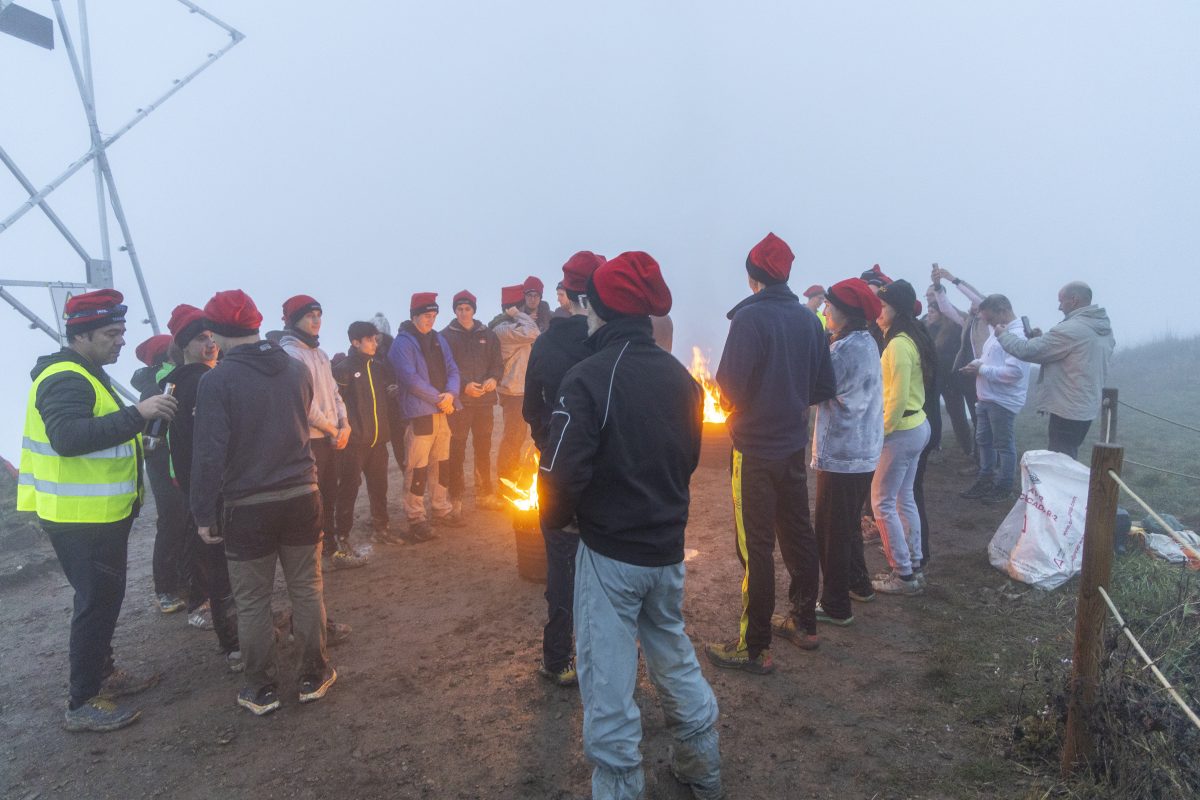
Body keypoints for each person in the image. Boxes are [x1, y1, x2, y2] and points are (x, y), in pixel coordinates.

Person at [540, 251, 722, 800]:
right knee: (672, 652)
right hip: (665, 549)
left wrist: (559, 518)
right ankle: (701, 765)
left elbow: (561, 473)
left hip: (611, 555)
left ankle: (620, 788)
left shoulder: (588, 376)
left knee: (608, 681)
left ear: (599, 309)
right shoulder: (682, 380)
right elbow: (688, 459)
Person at [18, 288, 177, 731]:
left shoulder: (85, 372)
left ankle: (104, 675)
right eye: (111, 333)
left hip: (94, 514)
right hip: (80, 519)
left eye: (121, 331)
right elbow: (68, 438)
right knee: (96, 603)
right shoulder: (66, 378)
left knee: (105, 599)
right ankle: (82, 701)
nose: (121, 341)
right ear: (81, 335)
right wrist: (138, 414)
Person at [191, 289, 336, 716]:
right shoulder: (295, 369)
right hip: (302, 493)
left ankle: (260, 687)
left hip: (248, 504)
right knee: (307, 587)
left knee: (253, 600)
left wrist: (203, 511)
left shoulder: (216, 381)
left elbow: (209, 452)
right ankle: (314, 674)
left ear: (216, 333)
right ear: (256, 324)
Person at [706, 233, 836, 674]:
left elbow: (730, 388)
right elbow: (823, 387)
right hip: (792, 445)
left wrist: (742, 407)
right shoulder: (810, 321)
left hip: (755, 450)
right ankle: (804, 622)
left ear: (752, 277)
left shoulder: (749, 319)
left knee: (755, 547)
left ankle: (754, 647)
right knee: (798, 533)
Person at [523, 250, 605, 686]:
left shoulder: (546, 343)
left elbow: (530, 407)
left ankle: (557, 659)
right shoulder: (609, 344)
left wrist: (548, 442)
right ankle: (604, 656)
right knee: (607, 562)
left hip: (557, 469)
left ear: (568, 296)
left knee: (561, 561)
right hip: (604, 471)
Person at [161, 303, 239, 666]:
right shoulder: (197, 382)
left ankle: (234, 635)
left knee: (220, 564)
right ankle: (234, 642)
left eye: (211, 336)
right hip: (215, 486)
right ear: (184, 345)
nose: (210, 344)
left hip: (201, 486)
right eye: (200, 338)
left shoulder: (182, 381)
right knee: (223, 566)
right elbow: (208, 445)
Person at [811, 279, 884, 622]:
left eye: (829, 305)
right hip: (863, 450)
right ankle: (859, 584)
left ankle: (835, 605)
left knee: (831, 532)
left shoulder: (842, 351)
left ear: (845, 311)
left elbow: (814, 389)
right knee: (848, 525)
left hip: (842, 453)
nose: (825, 310)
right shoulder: (866, 342)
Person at [278, 295, 364, 568]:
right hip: (311, 440)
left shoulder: (321, 354)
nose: (316, 320)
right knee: (314, 500)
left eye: (319, 315)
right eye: (309, 316)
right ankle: (316, 556)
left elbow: (335, 393)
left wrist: (344, 424)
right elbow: (304, 403)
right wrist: (331, 429)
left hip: (330, 437)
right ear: (295, 320)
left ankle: (332, 550)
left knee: (330, 495)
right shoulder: (290, 355)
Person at [994, 281, 1115, 459]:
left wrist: (1003, 335)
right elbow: (1073, 355)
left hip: (1067, 407)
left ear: (1074, 300)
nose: (1059, 307)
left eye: (1061, 301)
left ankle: (1067, 478)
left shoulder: (1072, 329)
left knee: (1060, 460)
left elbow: (1026, 351)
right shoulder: (1101, 326)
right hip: (1085, 404)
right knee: (1068, 453)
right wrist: (1041, 339)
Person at [869, 280, 935, 595]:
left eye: (882, 306)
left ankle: (902, 574)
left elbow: (896, 399)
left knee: (882, 501)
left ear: (896, 309)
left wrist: (881, 434)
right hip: (916, 426)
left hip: (901, 430)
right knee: (902, 497)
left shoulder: (898, 344)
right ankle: (914, 564)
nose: (878, 312)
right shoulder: (910, 338)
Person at [390, 292, 461, 540]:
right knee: (417, 467)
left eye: (433, 315)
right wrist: (440, 399)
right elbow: (410, 379)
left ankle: (441, 508)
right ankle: (416, 517)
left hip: (442, 411)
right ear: (414, 316)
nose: (430, 320)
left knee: (441, 463)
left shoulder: (438, 339)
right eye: (426, 315)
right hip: (420, 414)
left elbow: (453, 368)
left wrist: (451, 394)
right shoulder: (402, 344)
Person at [131, 333, 189, 613]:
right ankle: (165, 589)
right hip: (164, 460)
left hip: (165, 459)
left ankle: (178, 583)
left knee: (180, 520)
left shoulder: (160, 381)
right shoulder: (160, 384)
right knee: (173, 520)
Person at [958, 294, 1032, 504]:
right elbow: (988, 358)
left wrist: (981, 369)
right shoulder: (998, 331)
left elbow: (1015, 373)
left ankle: (1004, 486)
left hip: (1003, 400)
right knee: (984, 440)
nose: (989, 324)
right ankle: (985, 479)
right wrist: (976, 364)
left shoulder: (1017, 335)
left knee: (1003, 444)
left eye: (990, 319)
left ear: (1002, 311)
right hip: (987, 397)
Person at [332, 321, 397, 545]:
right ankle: (342, 536)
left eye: (375, 339)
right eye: (369, 339)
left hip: (378, 441)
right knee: (349, 489)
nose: (374, 343)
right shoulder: (343, 369)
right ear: (355, 342)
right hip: (354, 444)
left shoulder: (378, 367)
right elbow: (336, 404)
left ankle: (382, 530)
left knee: (379, 487)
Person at [440, 290, 505, 515]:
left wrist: (493, 378)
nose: (463, 313)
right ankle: (455, 497)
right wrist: (463, 386)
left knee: (483, 448)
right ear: (454, 311)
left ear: (473, 310)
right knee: (456, 449)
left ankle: (485, 494)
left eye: (467, 309)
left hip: (484, 402)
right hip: (460, 403)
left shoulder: (487, 334)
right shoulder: (445, 336)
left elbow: (497, 362)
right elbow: (444, 368)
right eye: (459, 309)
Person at [490, 285, 539, 483]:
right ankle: (506, 478)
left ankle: (511, 474)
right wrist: (520, 315)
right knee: (513, 436)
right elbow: (534, 332)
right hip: (513, 391)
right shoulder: (503, 329)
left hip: (520, 388)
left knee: (518, 435)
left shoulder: (510, 327)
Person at [923, 286, 972, 456]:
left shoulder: (954, 325)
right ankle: (933, 445)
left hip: (951, 378)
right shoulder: (924, 325)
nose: (928, 297)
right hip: (932, 377)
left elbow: (959, 350)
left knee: (957, 414)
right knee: (930, 412)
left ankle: (967, 448)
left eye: (931, 294)